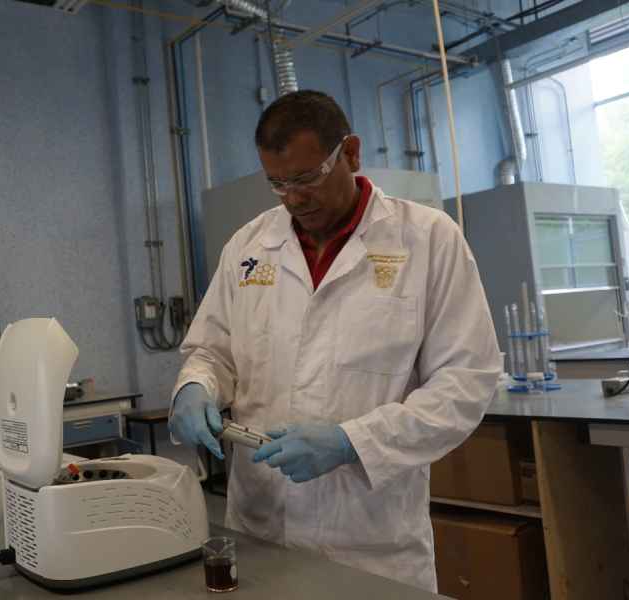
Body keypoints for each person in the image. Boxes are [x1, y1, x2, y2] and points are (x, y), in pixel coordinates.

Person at [168, 90, 501, 592]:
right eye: (277, 183)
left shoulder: (428, 239)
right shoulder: (248, 246)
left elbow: (465, 382)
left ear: (350, 153)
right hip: (262, 529)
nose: (293, 198)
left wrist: (354, 442)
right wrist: (196, 386)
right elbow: (213, 351)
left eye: (306, 178)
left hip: (370, 542)